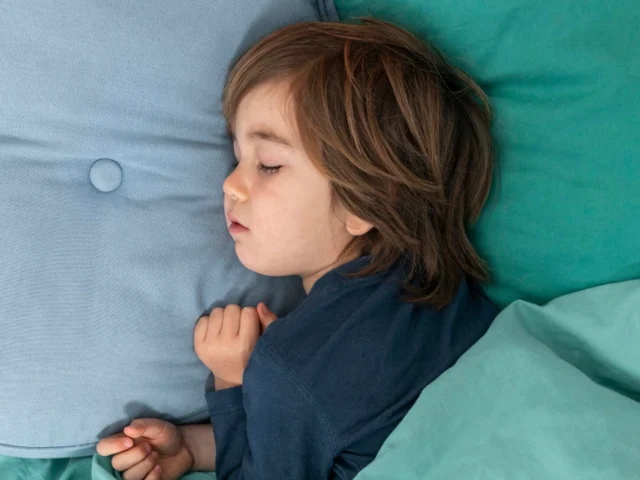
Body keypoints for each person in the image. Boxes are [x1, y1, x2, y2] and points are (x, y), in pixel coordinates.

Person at [96, 18, 498, 480]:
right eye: (237, 159)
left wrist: (234, 382)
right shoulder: (439, 286)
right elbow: (321, 437)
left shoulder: (288, 372)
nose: (230, 184)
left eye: (268, 165)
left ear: (365, 201)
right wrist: (191, 446)